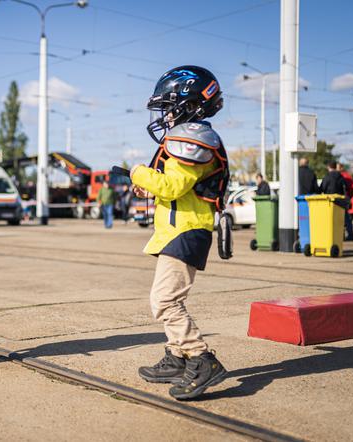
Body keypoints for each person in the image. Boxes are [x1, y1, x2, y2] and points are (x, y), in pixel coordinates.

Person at [131, 66, 229, 400]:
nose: (166, 115)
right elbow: (180, 189)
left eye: (170, 107)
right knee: (171, 297)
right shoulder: (187, 139)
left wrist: (139, 173)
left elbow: (172, 185)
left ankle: (201, 359)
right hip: (178, 230)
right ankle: (176, 357)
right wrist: (150, 189)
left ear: (191, 104)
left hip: (187, 232)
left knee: (164, 300)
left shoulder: (194, 139)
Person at [337, 163, 353, 241]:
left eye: (337, 167)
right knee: (345, 219)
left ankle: (348, 235)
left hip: (342, 200)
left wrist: (348, 197)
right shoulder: (346, 175)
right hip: (344, 199)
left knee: (345, 219)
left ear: (341, 168)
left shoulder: (344, 176)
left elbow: (352, 188)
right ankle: (347, 235)